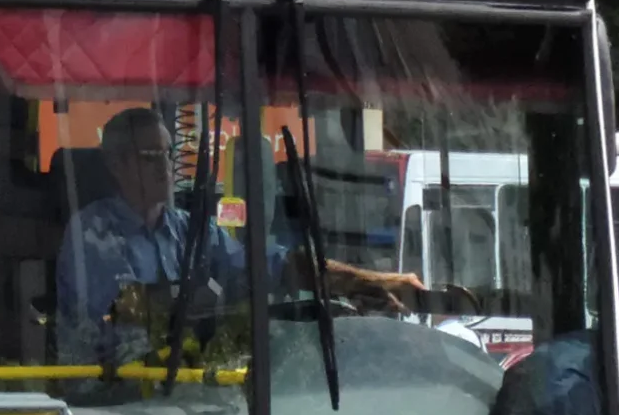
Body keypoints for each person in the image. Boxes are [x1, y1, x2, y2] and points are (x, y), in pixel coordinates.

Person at [55, 106, 423, 367]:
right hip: (106, 399)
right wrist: (216, 308)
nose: (166, 167)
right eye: (151, 156)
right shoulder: (91, 232)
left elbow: (270, 265)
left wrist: (361, 282)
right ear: (116, 164)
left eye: (168, 154)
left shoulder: (189, 228)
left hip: (179, 390)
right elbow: (137, 315)